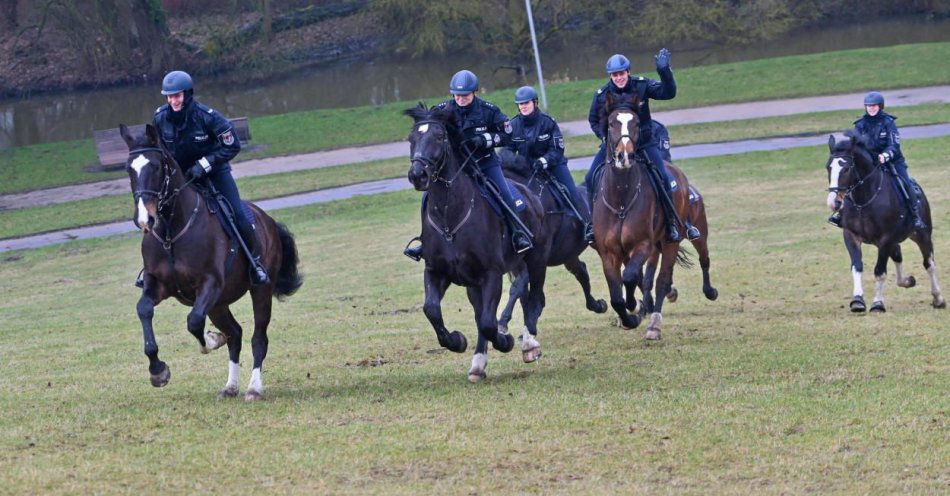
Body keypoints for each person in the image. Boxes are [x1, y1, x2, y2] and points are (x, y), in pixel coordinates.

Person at [135, 70, 270, 287]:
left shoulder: (208, 117)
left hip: (214, 173)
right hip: (180, 177)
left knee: (236, 212)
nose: (173, 101)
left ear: (187, 94)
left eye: (177, 95)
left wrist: (204, 164)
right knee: (157, 214)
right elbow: (158, 149)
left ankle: (255, 263)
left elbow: (232, 145)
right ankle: (150, 271)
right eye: (169, 96)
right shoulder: (160, 117)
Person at [404, 70, 533, 261]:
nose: (460, 99)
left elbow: (507, 134)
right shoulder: (442, 110)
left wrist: (485, 140)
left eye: (464, 95)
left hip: (485, 164)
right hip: (456, 167)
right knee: (427, 198)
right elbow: (431, 132)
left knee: (505, 195)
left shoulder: (489, 111)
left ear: (475, 93)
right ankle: (425, 242)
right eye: (457, 95)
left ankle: (518, 235)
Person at [583, 50, 698, 242]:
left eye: (622, 73)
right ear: (610, 76)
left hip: (644, 143)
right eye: (615, 74)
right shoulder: (602, 95)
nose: (619, 77)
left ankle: (672, 223)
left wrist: (665, 71)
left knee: (664, 177)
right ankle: (592, 225)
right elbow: (593, 119)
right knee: (589, 177)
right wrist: (607, 138)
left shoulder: (642, 85)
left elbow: (668, 93)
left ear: (628, 72)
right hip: (615, 146)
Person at [503, 85, 593, 243]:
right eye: (520, 104)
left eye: (527, 103)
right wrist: (518, 162)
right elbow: (505, 151)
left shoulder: (548, 122)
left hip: (554, 165)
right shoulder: (514, 125)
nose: (523, 106)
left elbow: (557, 149)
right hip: (527, 169)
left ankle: (588, 225)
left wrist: (543, 161)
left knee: (571, 191)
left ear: (535, 103)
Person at [828, 91, 927, 230]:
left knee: (905, 183)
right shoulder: (860, 124)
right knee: (850, 182)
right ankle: (841, 215)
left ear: (880, 106)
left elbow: (894, 145)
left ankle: (915, 216)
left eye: (874, 106)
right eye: (869, 106)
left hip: (892, 161)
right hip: (869, 162)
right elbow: (855, 144)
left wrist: (885, 155)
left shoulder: (888, 122)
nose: (871, 108)